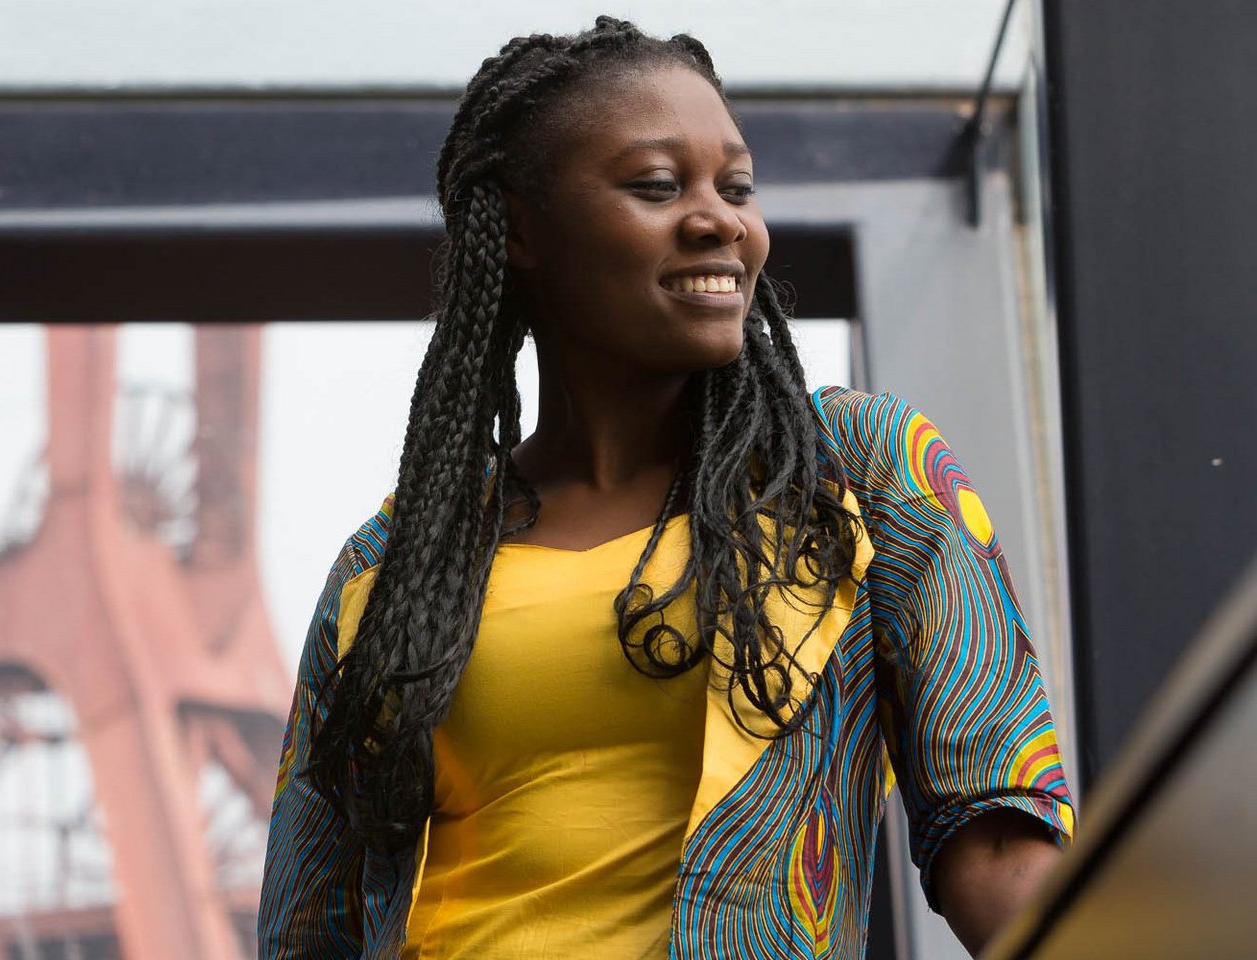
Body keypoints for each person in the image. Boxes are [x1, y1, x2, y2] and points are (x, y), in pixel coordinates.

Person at [257, 17, 1074, 960]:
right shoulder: (394, 563)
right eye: (657, 185)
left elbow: (1001, 847)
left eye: (736, 187)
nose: (720, 219)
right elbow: (305, 929)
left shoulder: (854, 474)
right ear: (523, 228)